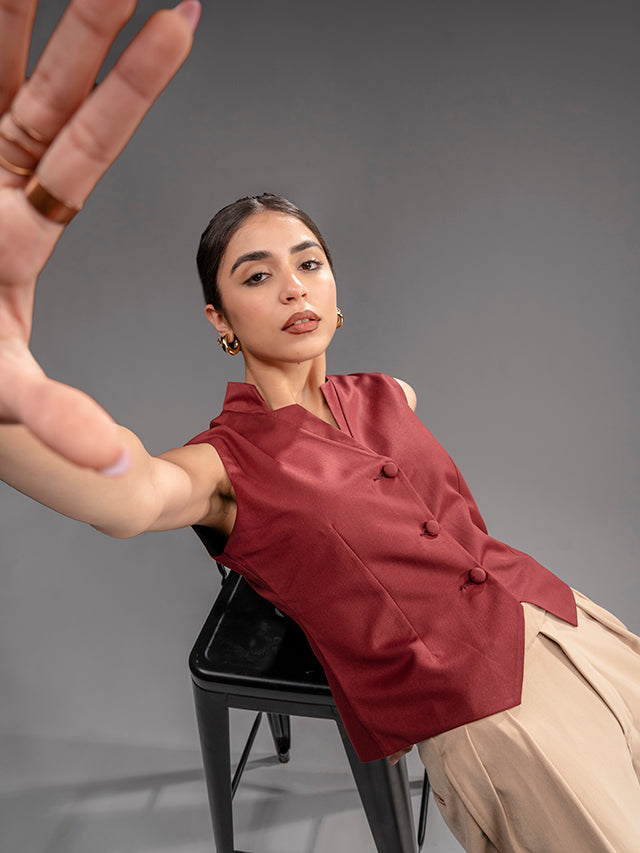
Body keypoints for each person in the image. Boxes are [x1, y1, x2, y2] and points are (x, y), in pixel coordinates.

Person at [0, 2, 638, 851]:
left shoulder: (390, 392)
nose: (295, 287)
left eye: (309, 264)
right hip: (487, 707)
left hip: (567, 622)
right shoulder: (222, 465)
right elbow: (123, 497)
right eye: (257, 275)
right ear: (221, 318)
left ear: (337, 290)